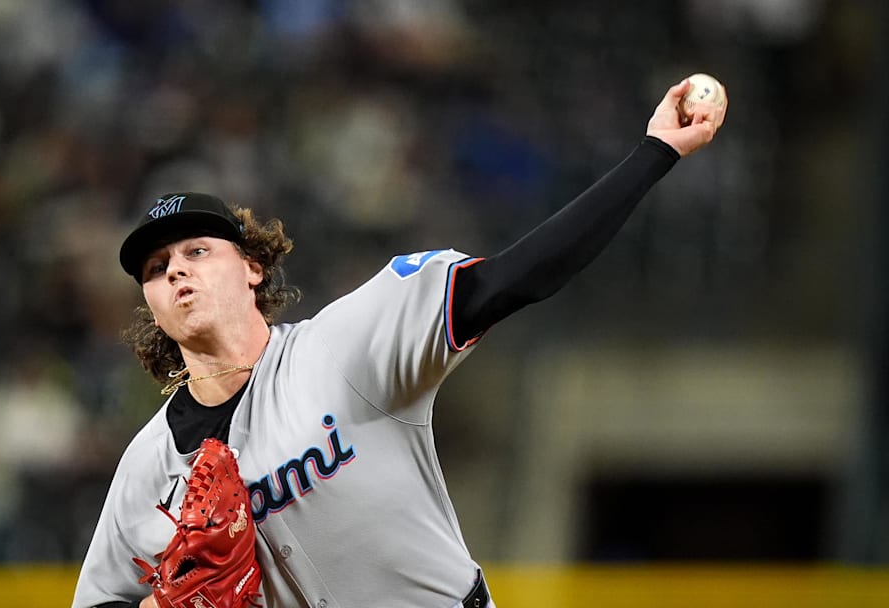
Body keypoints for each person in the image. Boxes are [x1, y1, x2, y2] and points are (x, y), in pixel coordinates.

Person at [72, 78, 727, 608]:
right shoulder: (147, 469)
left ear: (252, 267)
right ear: (152, 308)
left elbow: (516, 277)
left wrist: (652, 154)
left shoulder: (345, 350)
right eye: (156, 269)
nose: (176, 270)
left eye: (197, 250)